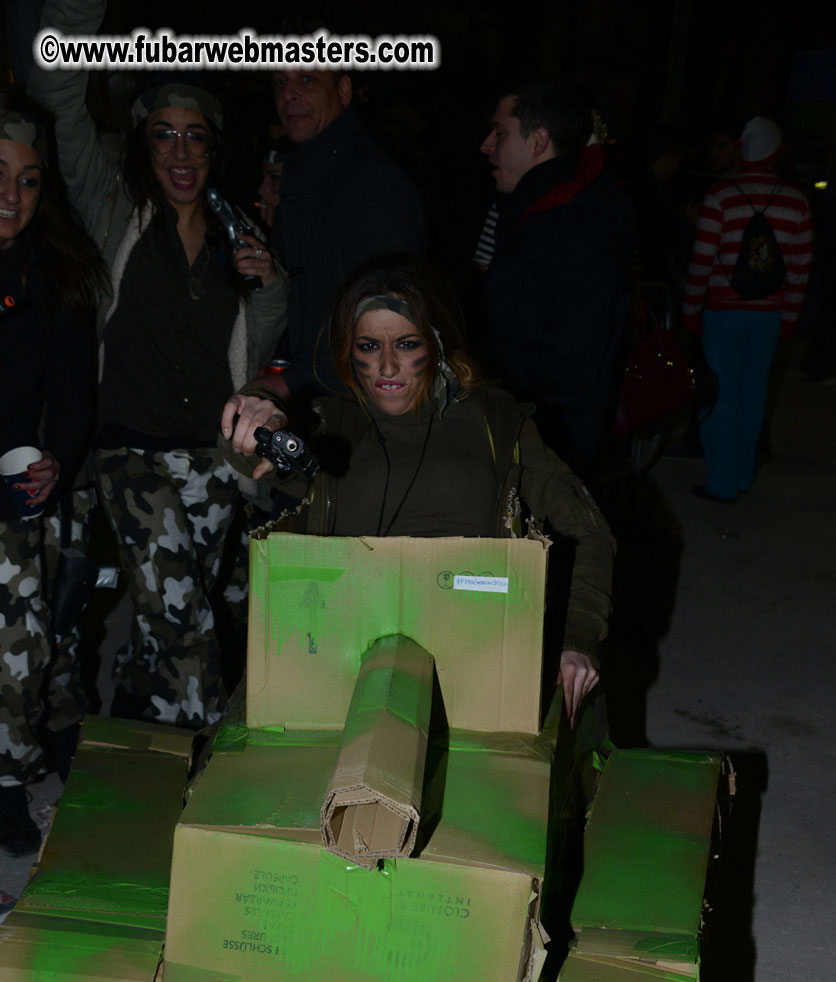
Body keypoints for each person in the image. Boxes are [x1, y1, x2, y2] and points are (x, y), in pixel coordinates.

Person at [30, 0, 288, 727]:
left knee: (164, 615)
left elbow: (260, 344)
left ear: (213, 148)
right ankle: (203, 759)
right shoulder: (111, 206)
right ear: (143, 143)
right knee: (183, 620)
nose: (180, 152)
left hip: (212, 458)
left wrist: (271, 283)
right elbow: (59, 96)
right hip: (130, 451)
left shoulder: (237, 231)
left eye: (195, 137)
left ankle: (132, 727)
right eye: (164, 135)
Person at [221, 255, 614, 725]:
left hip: (474, 656)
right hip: (343, 655)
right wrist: (256, 415)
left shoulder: (496, 423)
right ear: (349, 351)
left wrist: (578, 639)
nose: (387, 366)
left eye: (406, 344)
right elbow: (249, 451)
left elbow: (588, 531)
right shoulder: (334, 427)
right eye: (369, 346)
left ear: (437, 342)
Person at [0, 99, 105, 855]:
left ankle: (9, 779)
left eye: (29, 180)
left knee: (20, 637)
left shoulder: (57, 277)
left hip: (12, 488)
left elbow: (73, 399)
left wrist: (57, 459)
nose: (12, 196)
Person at [479, 80, 634, 481]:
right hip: (529, 428)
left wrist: (483, 371)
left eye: (500, 133)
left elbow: (573, 361)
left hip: (551, 445)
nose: (486, 145)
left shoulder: (577, 224)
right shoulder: (537, 208)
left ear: (538, 141)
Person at [264, 68, 426, 401]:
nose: (288, 94)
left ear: (344, 90)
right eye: (280, 82)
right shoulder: (308, 175)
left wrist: (295, 382)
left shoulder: (371, 182)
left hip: (361, 403)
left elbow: (390, 321)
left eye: (307, 79)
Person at [682, 117, 812, 502]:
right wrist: (789, 317)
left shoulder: (721, 195)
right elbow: (800, 267)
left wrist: (691, 307)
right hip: (769, 313)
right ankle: (742, 473)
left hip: (722, 312)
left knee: (721, 394)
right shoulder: (796, 200)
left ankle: (722, 481)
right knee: (755, 393)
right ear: (777, 153)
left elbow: (702, 258)